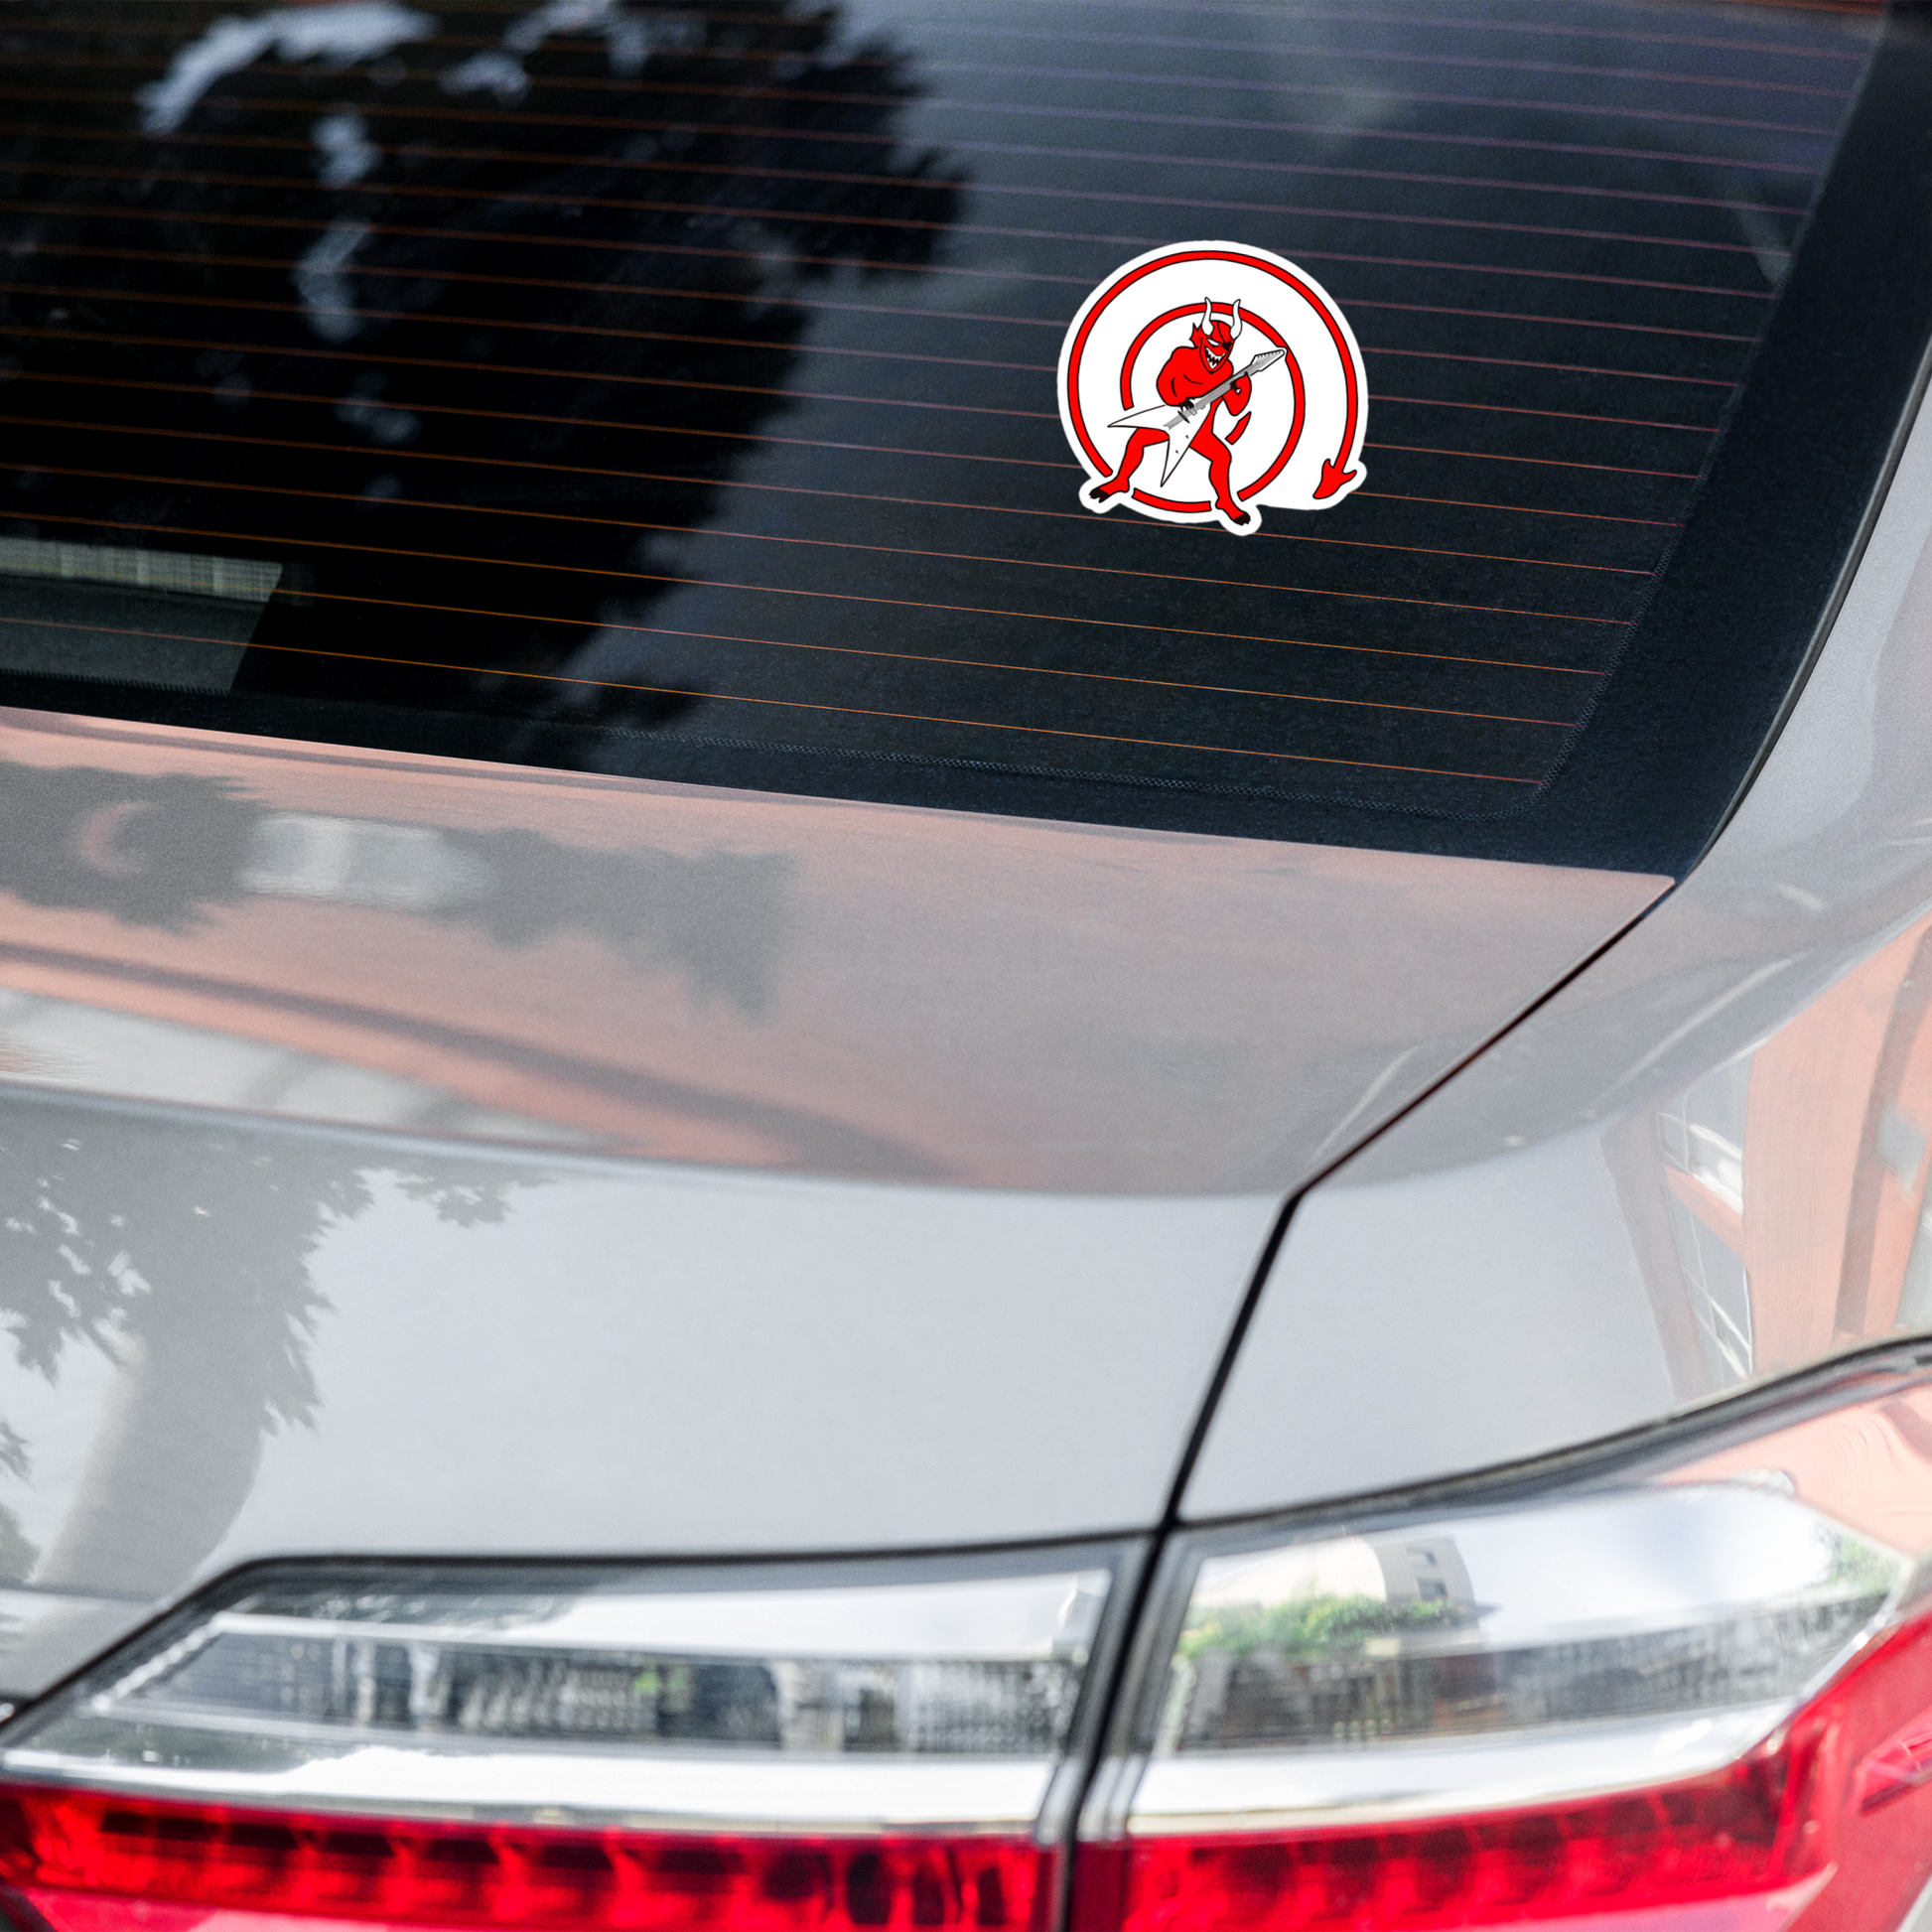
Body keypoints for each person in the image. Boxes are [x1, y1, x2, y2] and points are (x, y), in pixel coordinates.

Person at [1086, 299, 1254, 527]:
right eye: (1213, 344)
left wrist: (1242, 387)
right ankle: (1120, 481)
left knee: (1222, 456)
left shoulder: (1227, 370)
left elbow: (1235, 408)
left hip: (1200, 434)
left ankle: (1225, 501)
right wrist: (1179, 400)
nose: (1219, 352)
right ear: (1202, 340)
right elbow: (1164, 383)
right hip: (1171, 422)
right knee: (1136, 440)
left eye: (1225, 347)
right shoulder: (1182, 356)